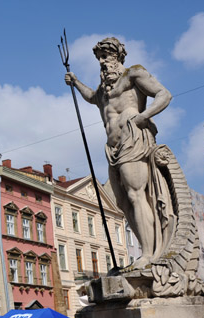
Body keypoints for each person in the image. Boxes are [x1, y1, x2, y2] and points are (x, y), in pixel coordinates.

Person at [65, 37, 175, 270]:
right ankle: (147, 250)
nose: (103, 63)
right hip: (112, 148)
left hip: (133, 141)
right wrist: (75, 81)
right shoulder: (104, 90)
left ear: (118, 57)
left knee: (137, 195)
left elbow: (164, 94)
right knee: (123, 203)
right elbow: (91, 98)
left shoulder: (134, 74)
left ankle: (148, 255)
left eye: (107, 56)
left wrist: (144, 116)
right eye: (100, 58)